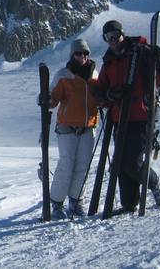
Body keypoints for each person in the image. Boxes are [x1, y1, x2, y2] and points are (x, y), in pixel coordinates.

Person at [95, 19, 160, 213]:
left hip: (142, 115)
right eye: (108, 37)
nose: (113, 40)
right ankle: (129, 203)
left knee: (132, 162)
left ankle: (155, 185)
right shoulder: (109, 62)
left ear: (122, 34)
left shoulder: (142, 53)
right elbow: (100, 93)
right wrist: (110, 95)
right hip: (119, 118)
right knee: (120, 163)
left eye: (115, 35)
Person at [45, 39, 100, 220]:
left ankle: (76, 202)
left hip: (88, 127)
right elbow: (53, 99)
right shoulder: (64, 75)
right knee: (66, 164)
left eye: (85, 53)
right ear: (72, 55)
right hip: (67, 127)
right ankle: (57, 203)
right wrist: (46, 100)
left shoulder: (95, 75)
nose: (82, 57)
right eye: (78, 53)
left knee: (82, 166)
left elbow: (101, 97)